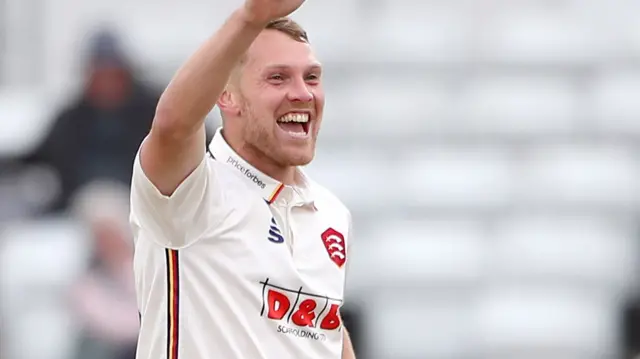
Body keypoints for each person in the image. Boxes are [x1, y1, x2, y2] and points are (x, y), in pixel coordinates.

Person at [129, 0, 356, 358]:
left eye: (311, 77)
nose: (303, 93)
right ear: (226, 96)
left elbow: (325, 329)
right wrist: (250, 17)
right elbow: (173, 126)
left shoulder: (331, 213)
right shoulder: (192, 191)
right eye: (277, 77)